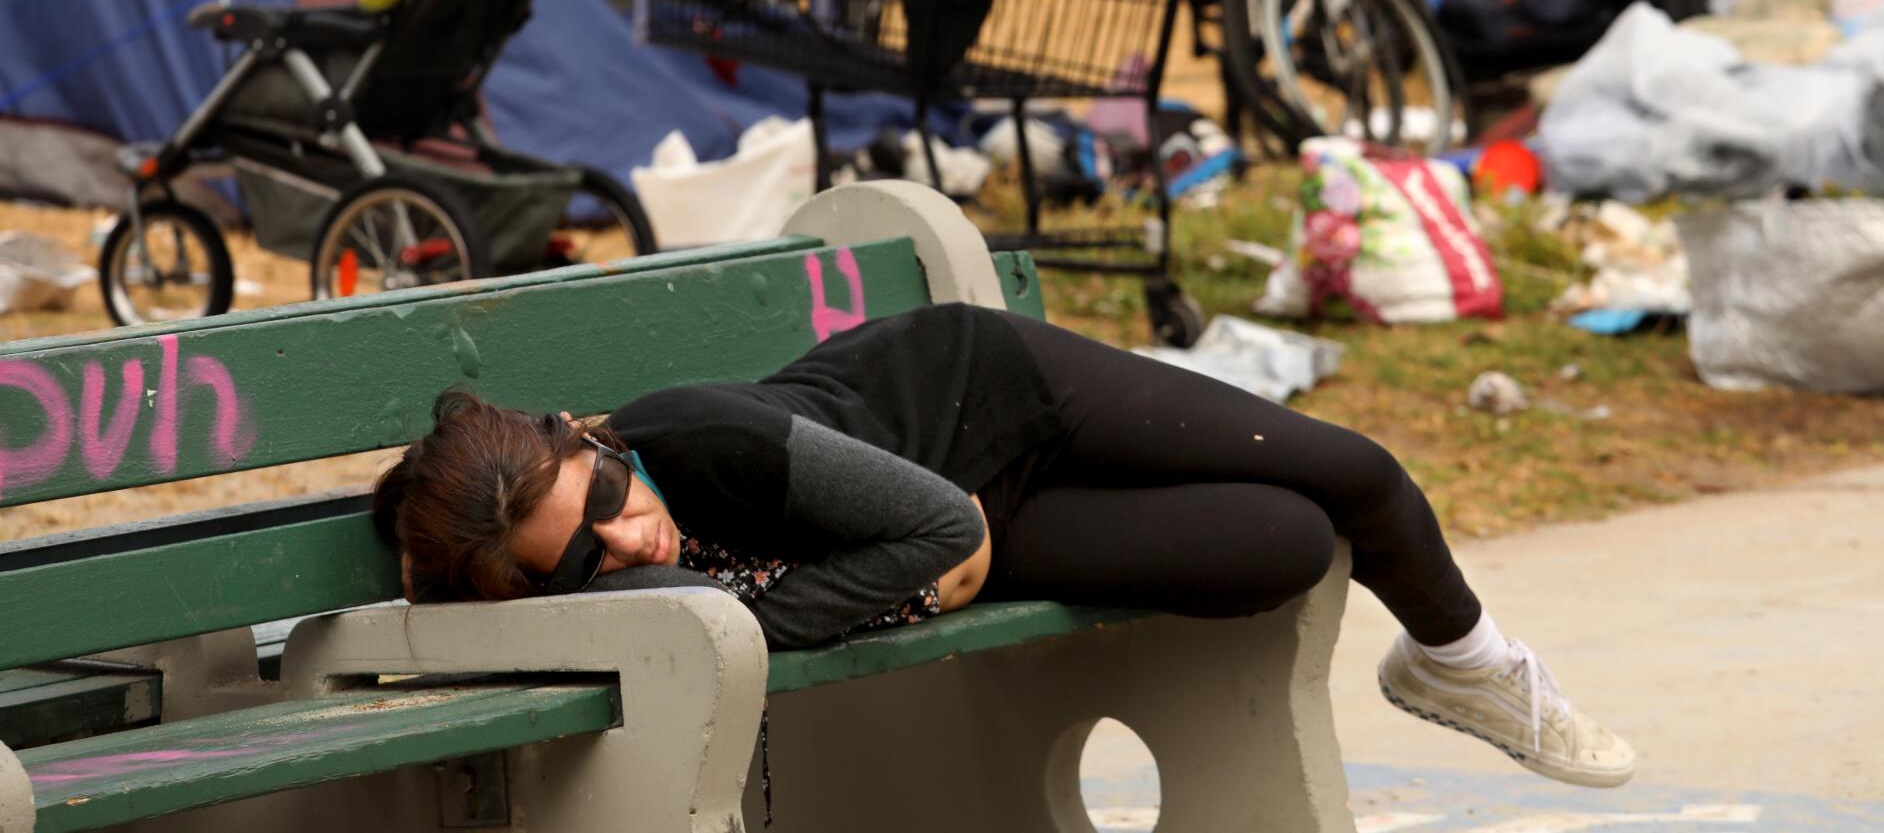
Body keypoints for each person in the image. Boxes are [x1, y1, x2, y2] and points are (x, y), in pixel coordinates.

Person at [375, 302, 1635, 788]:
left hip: (986, 392)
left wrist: (844, 591)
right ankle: (1430, 661)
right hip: (986, 520)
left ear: (587, 437)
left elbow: (933, 528)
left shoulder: (709, 439)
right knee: (1281, 545)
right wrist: (918, 576)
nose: (631, 533)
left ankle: (1463, 660)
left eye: (607, 490)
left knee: (1349, 471)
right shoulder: (605, 580)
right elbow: (942, 546)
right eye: (590, 559)